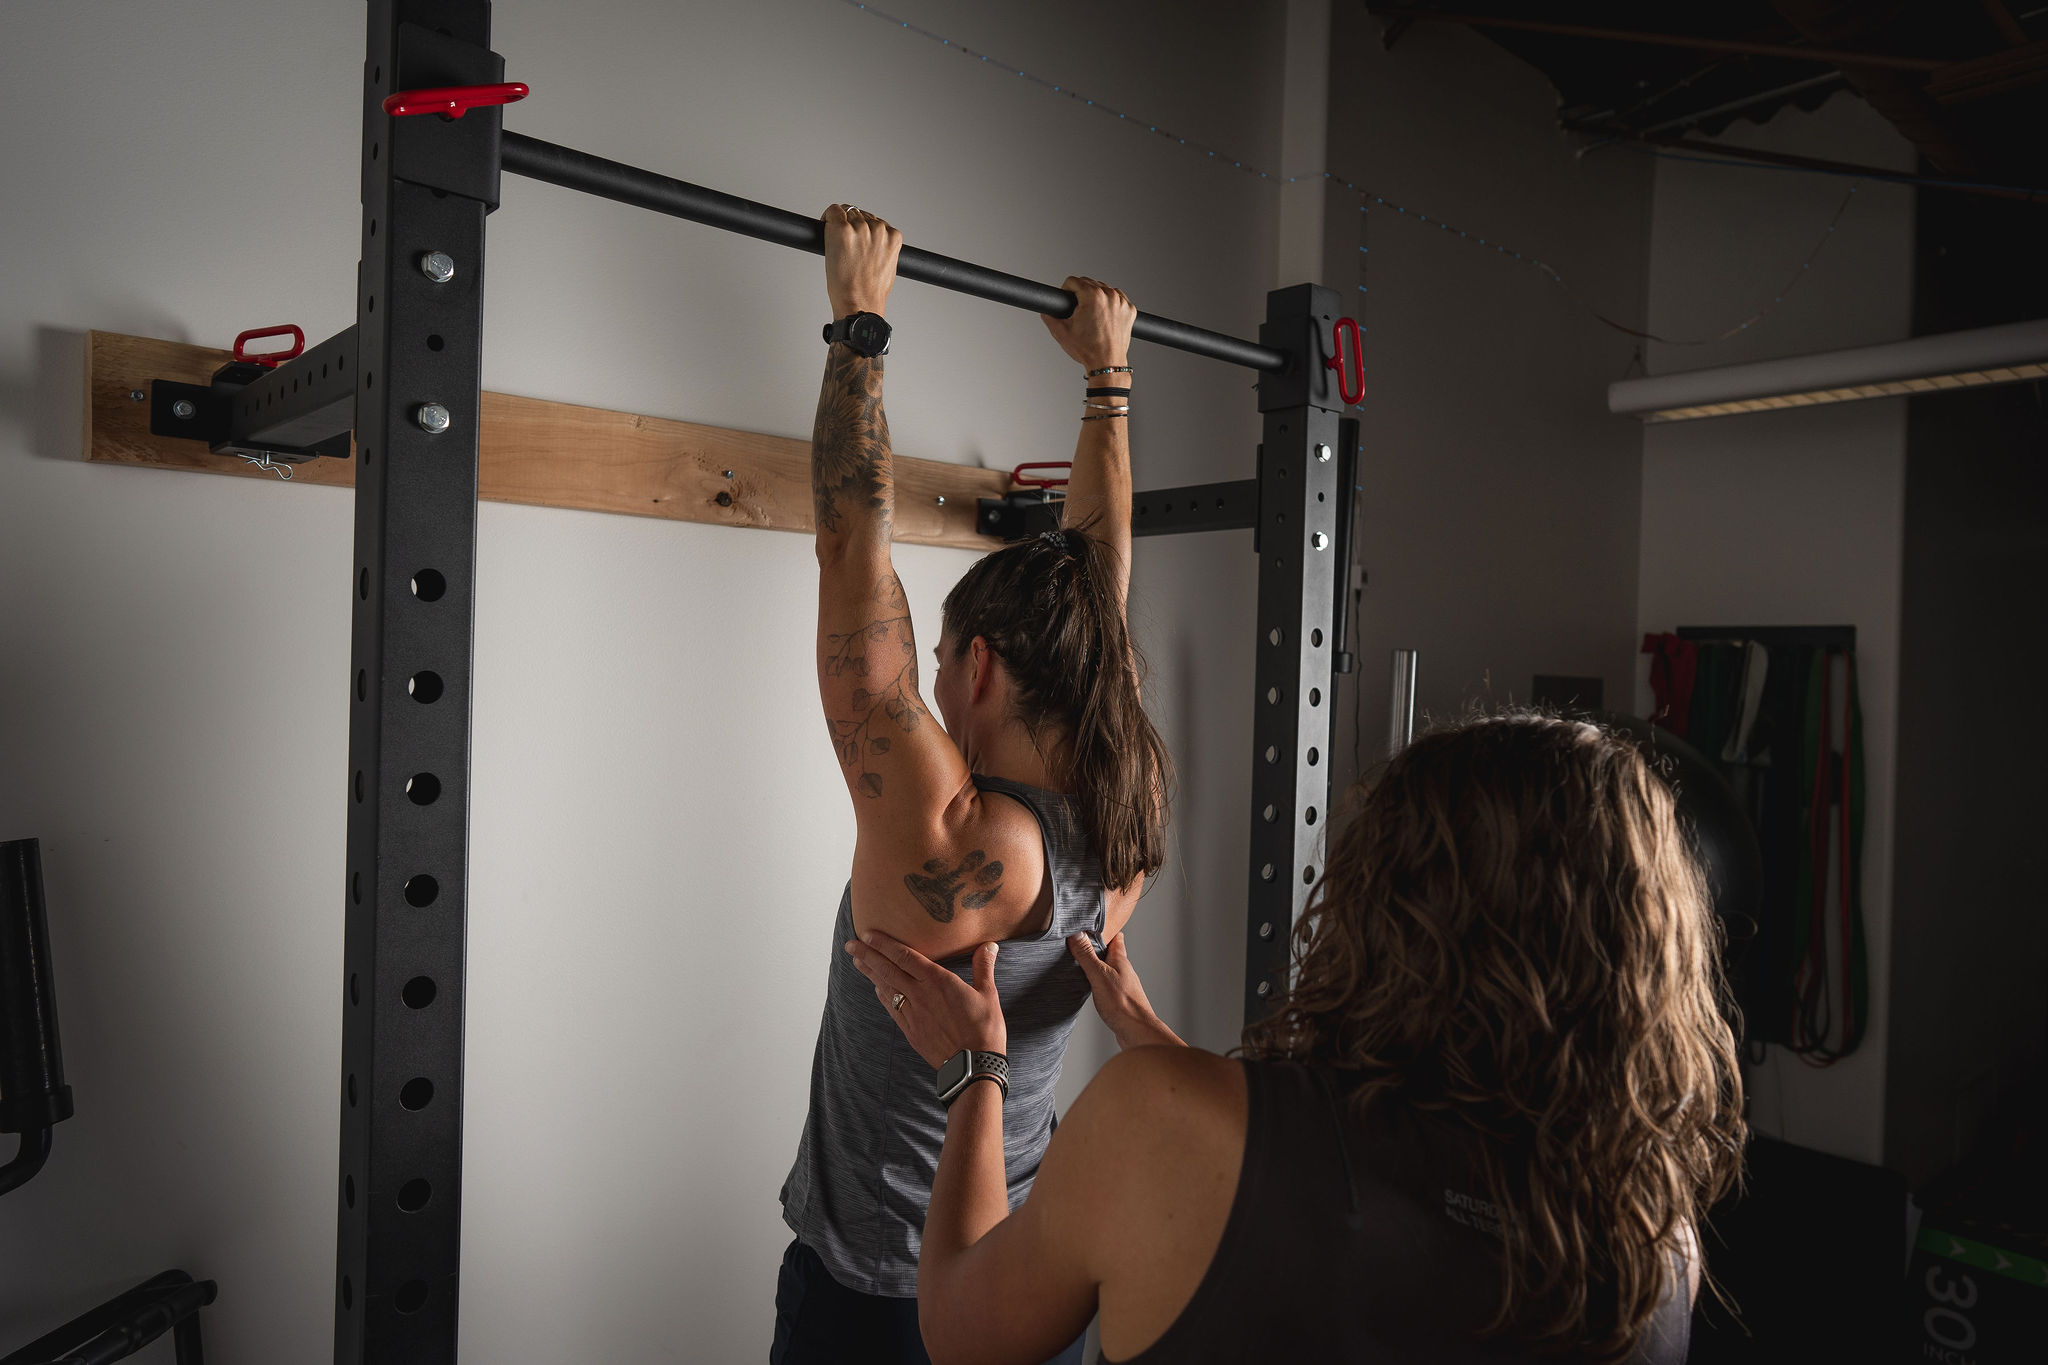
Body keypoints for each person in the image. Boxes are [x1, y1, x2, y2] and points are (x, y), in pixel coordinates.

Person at [849, 711, 1747, 1364]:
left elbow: (961, 1331)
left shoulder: (1156, 1126)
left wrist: (975, 1071)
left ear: (1385, 906)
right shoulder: (1653, 1234)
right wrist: (1155, 1045)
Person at [773, 204, 1173, 1365]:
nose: (930, 682)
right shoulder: (1121, 818)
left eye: (941, 660)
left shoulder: (959, 838)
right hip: (1028, 1274)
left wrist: (861, 327)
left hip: (887, 1303)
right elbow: (1099, 587)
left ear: (980, 664)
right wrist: (1109, 380)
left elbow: (851, 555)